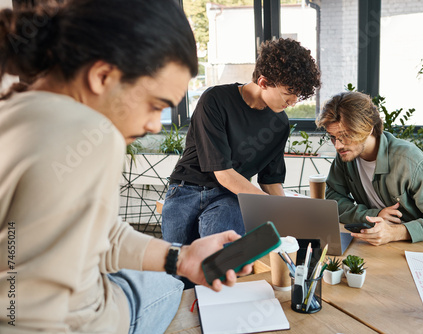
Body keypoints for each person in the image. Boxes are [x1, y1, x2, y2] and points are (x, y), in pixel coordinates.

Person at [0, 1, 251, 333]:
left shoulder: (14, 109)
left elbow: (98, 235)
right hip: (99, 320)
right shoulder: (92, 134)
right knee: (173, 287)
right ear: (102, 76)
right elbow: (28, 314)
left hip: (90, 293)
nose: (154, 125)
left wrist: (183, 257)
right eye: (154, 105)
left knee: (167, 276)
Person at [162, 38, 321, 245]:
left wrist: (286, 215)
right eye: (288, 93)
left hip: (229, 196)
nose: (293, 102)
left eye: (297, 95)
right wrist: (270, 206)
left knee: (218, 258)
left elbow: (270, 181)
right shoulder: (215, 100)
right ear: (263, 82)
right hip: (187, 189)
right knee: (178, 267)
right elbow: (224, 174)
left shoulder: (280, 124)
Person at [316, 91, 423, 249]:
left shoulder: (410, 162)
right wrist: (374, 214)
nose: (338, 145)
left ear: (368, 128)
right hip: (405, 247)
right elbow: (333, 199)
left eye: (345, 135)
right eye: (333, 137)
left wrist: (395, 232)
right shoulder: (347, 155)